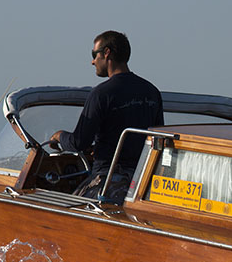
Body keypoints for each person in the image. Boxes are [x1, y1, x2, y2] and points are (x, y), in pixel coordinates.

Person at [50, 31, 164, 201]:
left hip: (108, 180)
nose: (92, 61)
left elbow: (78, 142)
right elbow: (158, 142)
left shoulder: (101, 94)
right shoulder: (152, 92)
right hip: (141, 184)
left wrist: (59, 136)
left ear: (107, 53)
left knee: (59, 207)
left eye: (94, 55)